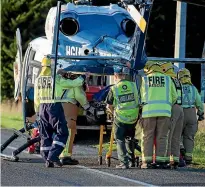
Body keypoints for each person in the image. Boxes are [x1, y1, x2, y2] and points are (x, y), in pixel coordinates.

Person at [34, 57, 86, 167]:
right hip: (54, 106)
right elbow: (72, 84)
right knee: (63, 132)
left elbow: (36, 97)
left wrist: (37, 112)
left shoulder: (38, 79)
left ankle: (47, 159)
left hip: (42, 108)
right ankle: (53, 156)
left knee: (46, 134)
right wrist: (84, 77)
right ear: (52, 66)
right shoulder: (55, 78)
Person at [140, 61, 178, 169]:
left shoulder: (145, 79)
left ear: (148, 69)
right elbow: (174, 96)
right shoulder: (168, 79)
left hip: (148, 112)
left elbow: (141, 96)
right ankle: (161, 161)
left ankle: (147, 162)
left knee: (148, 137)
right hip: (165, 112)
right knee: (162, 137)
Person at [106, 65, 140, 169]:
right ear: (124, 75)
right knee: (130, 139)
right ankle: (131, 161)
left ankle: (123, 162)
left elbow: (109, 105)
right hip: (134, 117)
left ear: (115, 75)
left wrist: (113, 113)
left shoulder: (114, 88)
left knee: (120, 139)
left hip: (120, 118)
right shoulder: (134, 85)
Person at [59, 72, 90, 165]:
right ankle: (65, 156)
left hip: (56, 108)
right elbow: (80, 96)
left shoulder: (60, 82)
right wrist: (87, 106)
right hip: (69, 108)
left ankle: (56, 153)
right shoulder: (75, 84)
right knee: (70, 131)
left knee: (58, 131)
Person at [159, 62, 184, 168]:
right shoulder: (177, 80)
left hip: (172, 108)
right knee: (176, 136)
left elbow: (170, 96)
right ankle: (176, 159)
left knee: (168, 134)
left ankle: (167, 160)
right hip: (180, 108)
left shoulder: (167, 80)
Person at [177, 68, 204, 164]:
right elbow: (199, 103)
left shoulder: (177, 86)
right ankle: (188, 158)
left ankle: (180, 151)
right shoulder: (193, 88)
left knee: (177, 134)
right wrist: (200, 113)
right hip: (191, 112)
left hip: (180, 112)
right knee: (189, 136)